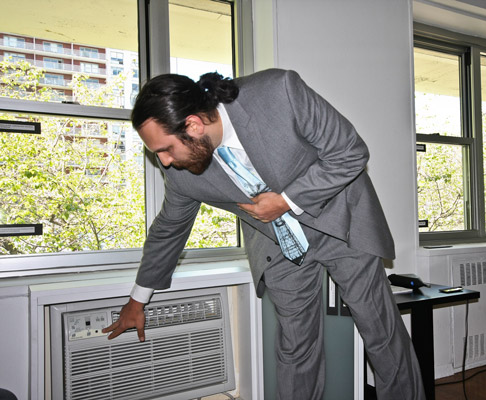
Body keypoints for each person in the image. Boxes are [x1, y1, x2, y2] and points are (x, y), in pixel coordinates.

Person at [102, 69, 425, 400]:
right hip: (276, 244)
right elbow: (168, 229)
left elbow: (349, 152)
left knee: (379, 331)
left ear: (194, 126)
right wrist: (137, 300)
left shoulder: (278, 92)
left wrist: (286, 201)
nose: (165, 163)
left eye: (165, 149)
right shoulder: (183, 177)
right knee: (296, 347)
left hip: (338, 221)